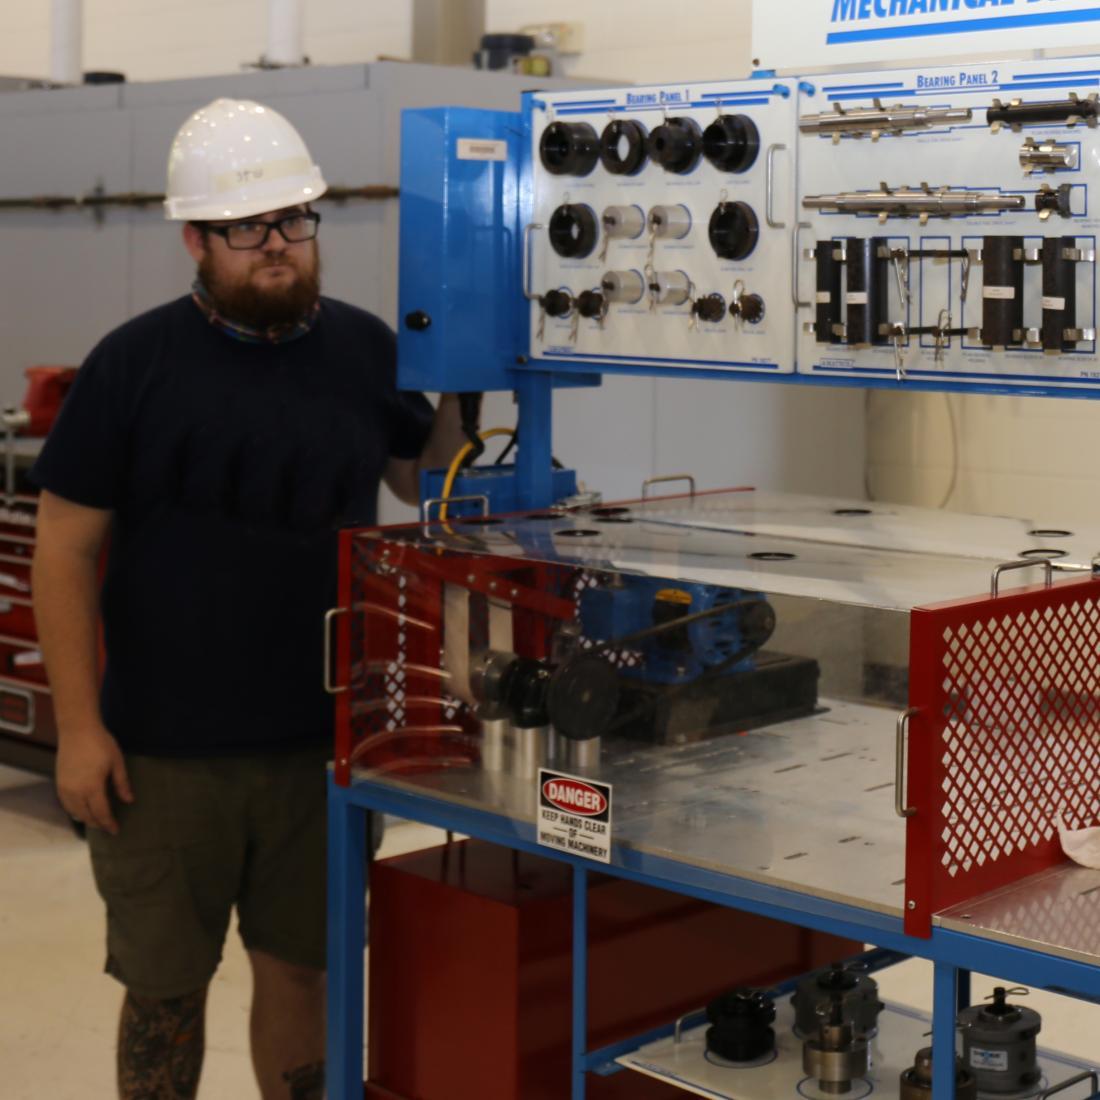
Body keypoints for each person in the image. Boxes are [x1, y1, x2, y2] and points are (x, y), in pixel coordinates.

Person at [31, 98, 465, 1100]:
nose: (276, 245)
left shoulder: (363, 351)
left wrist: (463, 377)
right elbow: (63, 544)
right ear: (195, 238)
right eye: (246, 227)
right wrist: (79, 729)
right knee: (165, 989)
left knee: (304, 971)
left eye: (294, 220)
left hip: (319, 744)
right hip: (161, 757)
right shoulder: (133, 364)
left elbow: (419, 479)